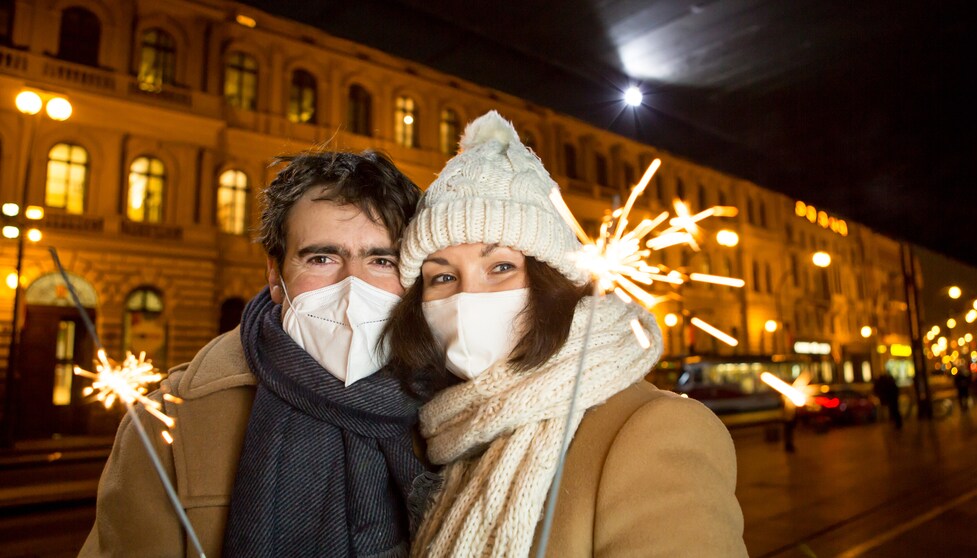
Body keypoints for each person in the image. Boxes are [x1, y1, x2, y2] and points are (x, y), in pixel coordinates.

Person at [386, 111, 746, 556]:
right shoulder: (443, 438)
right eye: (442, 277)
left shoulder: (652, 429)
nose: (467, 297)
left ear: (552, 283)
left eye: (500, 267)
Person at [81, 150, 426, 557]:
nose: (353, 287)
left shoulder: (453, 415)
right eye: (321, 257)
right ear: (275, 277)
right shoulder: (170, 424)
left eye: (381, 260)